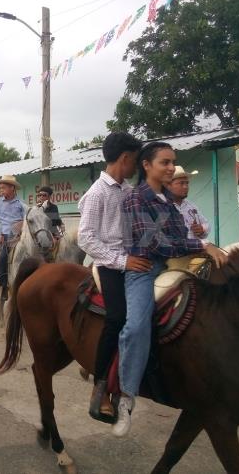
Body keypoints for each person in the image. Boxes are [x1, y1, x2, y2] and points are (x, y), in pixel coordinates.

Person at [114, 142, 228, 437]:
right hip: (145, 269)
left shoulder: (169, 200)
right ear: (146, 166)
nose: (170, 168)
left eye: (172, 162)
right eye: (165, 162)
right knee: (136, 326)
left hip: (180, 263)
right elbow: (154, 243)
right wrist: (202, 244)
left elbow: (179, 236)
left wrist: (202, 248)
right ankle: (125, 398)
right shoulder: (135, 199)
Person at [78, 132, 148, 422]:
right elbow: (86, 238)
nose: (137, 168)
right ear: (125, 158)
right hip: (109, 263)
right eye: (136, 161)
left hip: (132, 259)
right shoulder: (98, 193)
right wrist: (122, 261)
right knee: (117, 317)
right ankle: (100, 387)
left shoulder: (128, 189)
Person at [0, 175, 25, 301]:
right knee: (3, 256)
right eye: (0, 188)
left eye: (3, 188)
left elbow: (27, 219)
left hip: (19, 235)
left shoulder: (21, 204)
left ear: (12, 188)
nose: (1, 191)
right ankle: (3, 285)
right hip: (4, 236)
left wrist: (21, 227)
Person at [166, 166, 210, 240]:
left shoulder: (191, 207)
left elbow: (206, 224)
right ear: (169, 186)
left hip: (195, 250)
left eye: (187, 183)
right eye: (181, 183)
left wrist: (202, 228)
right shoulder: (162, 207)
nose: (186, 187)